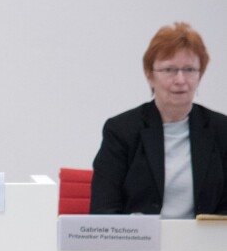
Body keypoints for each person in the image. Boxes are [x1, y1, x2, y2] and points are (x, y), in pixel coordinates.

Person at [90, 22, 227, 217]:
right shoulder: (121, 130)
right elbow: (103, 209)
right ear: (149, 75)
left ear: (200, 74)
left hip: (203, 245)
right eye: (169, 70)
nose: (180, 80)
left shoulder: (221, 129)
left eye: (189, 69)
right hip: (139, 245)